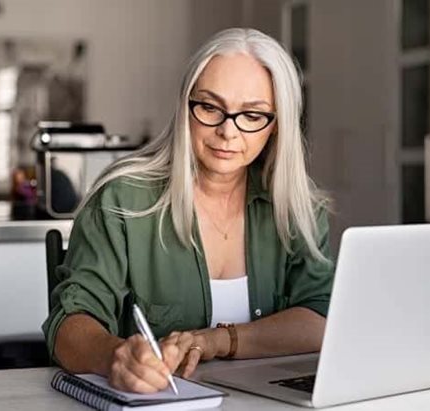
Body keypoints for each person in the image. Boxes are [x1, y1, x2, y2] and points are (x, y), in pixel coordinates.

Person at [42, 27, 334, 394]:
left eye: (253, 115)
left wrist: (216, 340)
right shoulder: (121, 199)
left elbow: (320, 319)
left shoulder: (297, 208)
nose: (228, 132)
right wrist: (114, 355)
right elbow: (68, 325)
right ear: (186, 106)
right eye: (210, 107)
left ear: (277, 126)